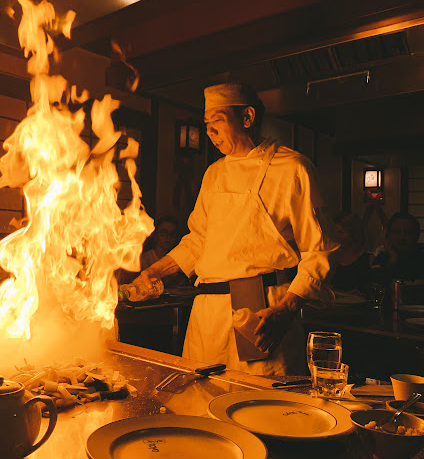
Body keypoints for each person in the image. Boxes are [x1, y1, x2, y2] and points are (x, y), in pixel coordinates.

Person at [135, 83, 336, 375]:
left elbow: (320, 251)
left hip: (259, 309)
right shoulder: (214, 173)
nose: (209, 131)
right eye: (206, 123)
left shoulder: (293, 168)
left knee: (259, 399)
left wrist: (287, 309)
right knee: (202, 395)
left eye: (217, 120)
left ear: (247, 117)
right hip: (207, 312)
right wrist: (153, 273)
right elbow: (197, 241)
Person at [372, 212, 424, 282]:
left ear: (416, 235)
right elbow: (376, 284)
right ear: (389, 235)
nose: (402, 237)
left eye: (407, 232)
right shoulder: (381, 259)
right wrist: (392, 261)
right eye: (397, 232)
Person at [330, 212, 371, 295]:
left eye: (341, 232)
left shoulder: (368, 260)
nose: (337, 236)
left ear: (353, 234)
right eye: (335, 232)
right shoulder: (331, 259)